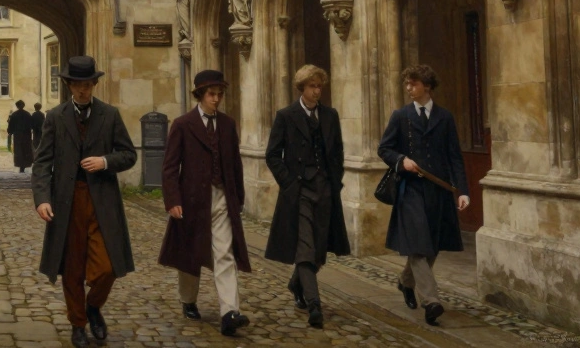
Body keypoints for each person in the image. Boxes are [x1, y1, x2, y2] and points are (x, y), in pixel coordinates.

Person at [33, 56, 137, 348]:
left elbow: (129, 154)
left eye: (87, 84)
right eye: (77, 84)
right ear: (69, 85)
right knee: (73, 267)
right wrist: (42, 199)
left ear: (94, 84)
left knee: (107, 266)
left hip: (102, 201)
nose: (83, 90)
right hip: (67, 201)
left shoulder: (110, 115)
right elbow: (42, 163)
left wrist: (105, 161)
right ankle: (78, 322)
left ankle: (93, 306)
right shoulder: (55, 117)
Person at [158, 70, 251, 337]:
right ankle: (188, 299)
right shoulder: (183, 124)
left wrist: (238, 199)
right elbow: (170, 167)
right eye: (212, 94)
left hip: (222, 197)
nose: (216, 99)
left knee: (225, 253)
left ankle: (229, 312)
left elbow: (235, 164)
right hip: (191, 201)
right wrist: (172, 200)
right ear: (200, 95)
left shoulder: (227, 124)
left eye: (220, 94)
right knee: (191, 253)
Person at [378, 64, 470, 326]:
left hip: (439, 191)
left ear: (427, 86)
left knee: (432, 246)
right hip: (411, 190)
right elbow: (384, 149)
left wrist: (462, 191)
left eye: (413, 84)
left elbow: (455, 157)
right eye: (407, 83)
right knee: (419, 245)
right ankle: (431, 301)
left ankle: (406, 281)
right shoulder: (401, 116)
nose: (409, 88)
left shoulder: (445, 118)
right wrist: (401, 160)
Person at [264, 65, 351, 329]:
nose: (317, 91)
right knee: (305, 248)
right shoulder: (286, 116)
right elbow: (272, 154)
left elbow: (337, 151)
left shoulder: (330, 115)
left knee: (320, 250)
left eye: (319, 86)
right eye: (312, 86)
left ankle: (296, 283)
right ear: (302, 88)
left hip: (325, 189)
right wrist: (289, 182)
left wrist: (334, 180)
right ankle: (315, 304)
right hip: (299, 191)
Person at [7, 99, 34, 173]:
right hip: (26, 134)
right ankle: (25, 164)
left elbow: (11, 125)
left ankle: (20, 164)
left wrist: (10, 132)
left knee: (18, 150)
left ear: (17, 106)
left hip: (18, 135)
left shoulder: (14, 115)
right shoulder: (27, 114)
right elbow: (31, 125)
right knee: (26, 149)